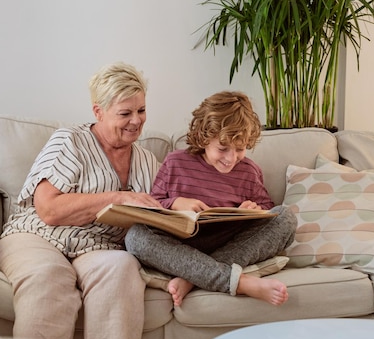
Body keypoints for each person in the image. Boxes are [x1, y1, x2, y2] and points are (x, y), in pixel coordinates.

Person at [0, 62, 162, 339]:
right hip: (37, 235)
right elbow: (49, 209)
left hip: (99, 247)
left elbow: (165, 208)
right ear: (98, 111)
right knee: (49, 276)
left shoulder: (148, 161)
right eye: (125, 113)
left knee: (122, 269)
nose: (136, 121)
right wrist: (118, 199)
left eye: (142, 110)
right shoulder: (70, 140)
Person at [125, 91, 297, 307]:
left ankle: (192, 277)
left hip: (228, 243)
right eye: (222, 149)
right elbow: (152, 205)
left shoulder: (249, 171)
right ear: (204, 138)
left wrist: (253, 208)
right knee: (136, 236)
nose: (231, 158)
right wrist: (177, 203)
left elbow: (268, 211)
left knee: (285, 218)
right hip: (180, 243)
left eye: (240, 149)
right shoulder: (176, 162)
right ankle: (238, 282)